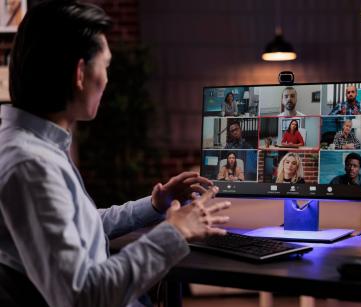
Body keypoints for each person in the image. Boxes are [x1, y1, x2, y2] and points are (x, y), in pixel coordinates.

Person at [0, 1, 231, 306]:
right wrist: (174, 232)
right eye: (105, 66)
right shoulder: (32, 165)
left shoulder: (29, 145)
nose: (107, 79)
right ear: (80, 74)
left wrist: (154, 205)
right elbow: (81, 296)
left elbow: (78, 224)